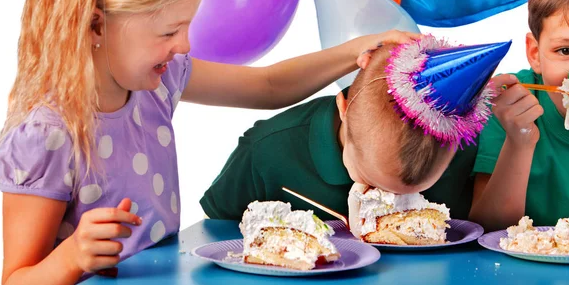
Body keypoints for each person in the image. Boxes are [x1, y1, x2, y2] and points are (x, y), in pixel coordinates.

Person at [0, 0, 419, 285]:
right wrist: (71, 258)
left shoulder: (159, 81)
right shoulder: (48, 134)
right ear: (98, 24)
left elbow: (267, 86)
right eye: (170, 30)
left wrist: (355, 49)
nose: (185, 45)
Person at [201, 37, 510, 221]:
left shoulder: (471, 144)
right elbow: (212, 237)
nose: (386, 200)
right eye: (369, 179)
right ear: (343, 109)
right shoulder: (266, 152)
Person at [470, 0, 569, 231]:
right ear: (535, 54)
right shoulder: (512, 104)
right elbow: (490, 227)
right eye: (566, 51)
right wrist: (519, 141)